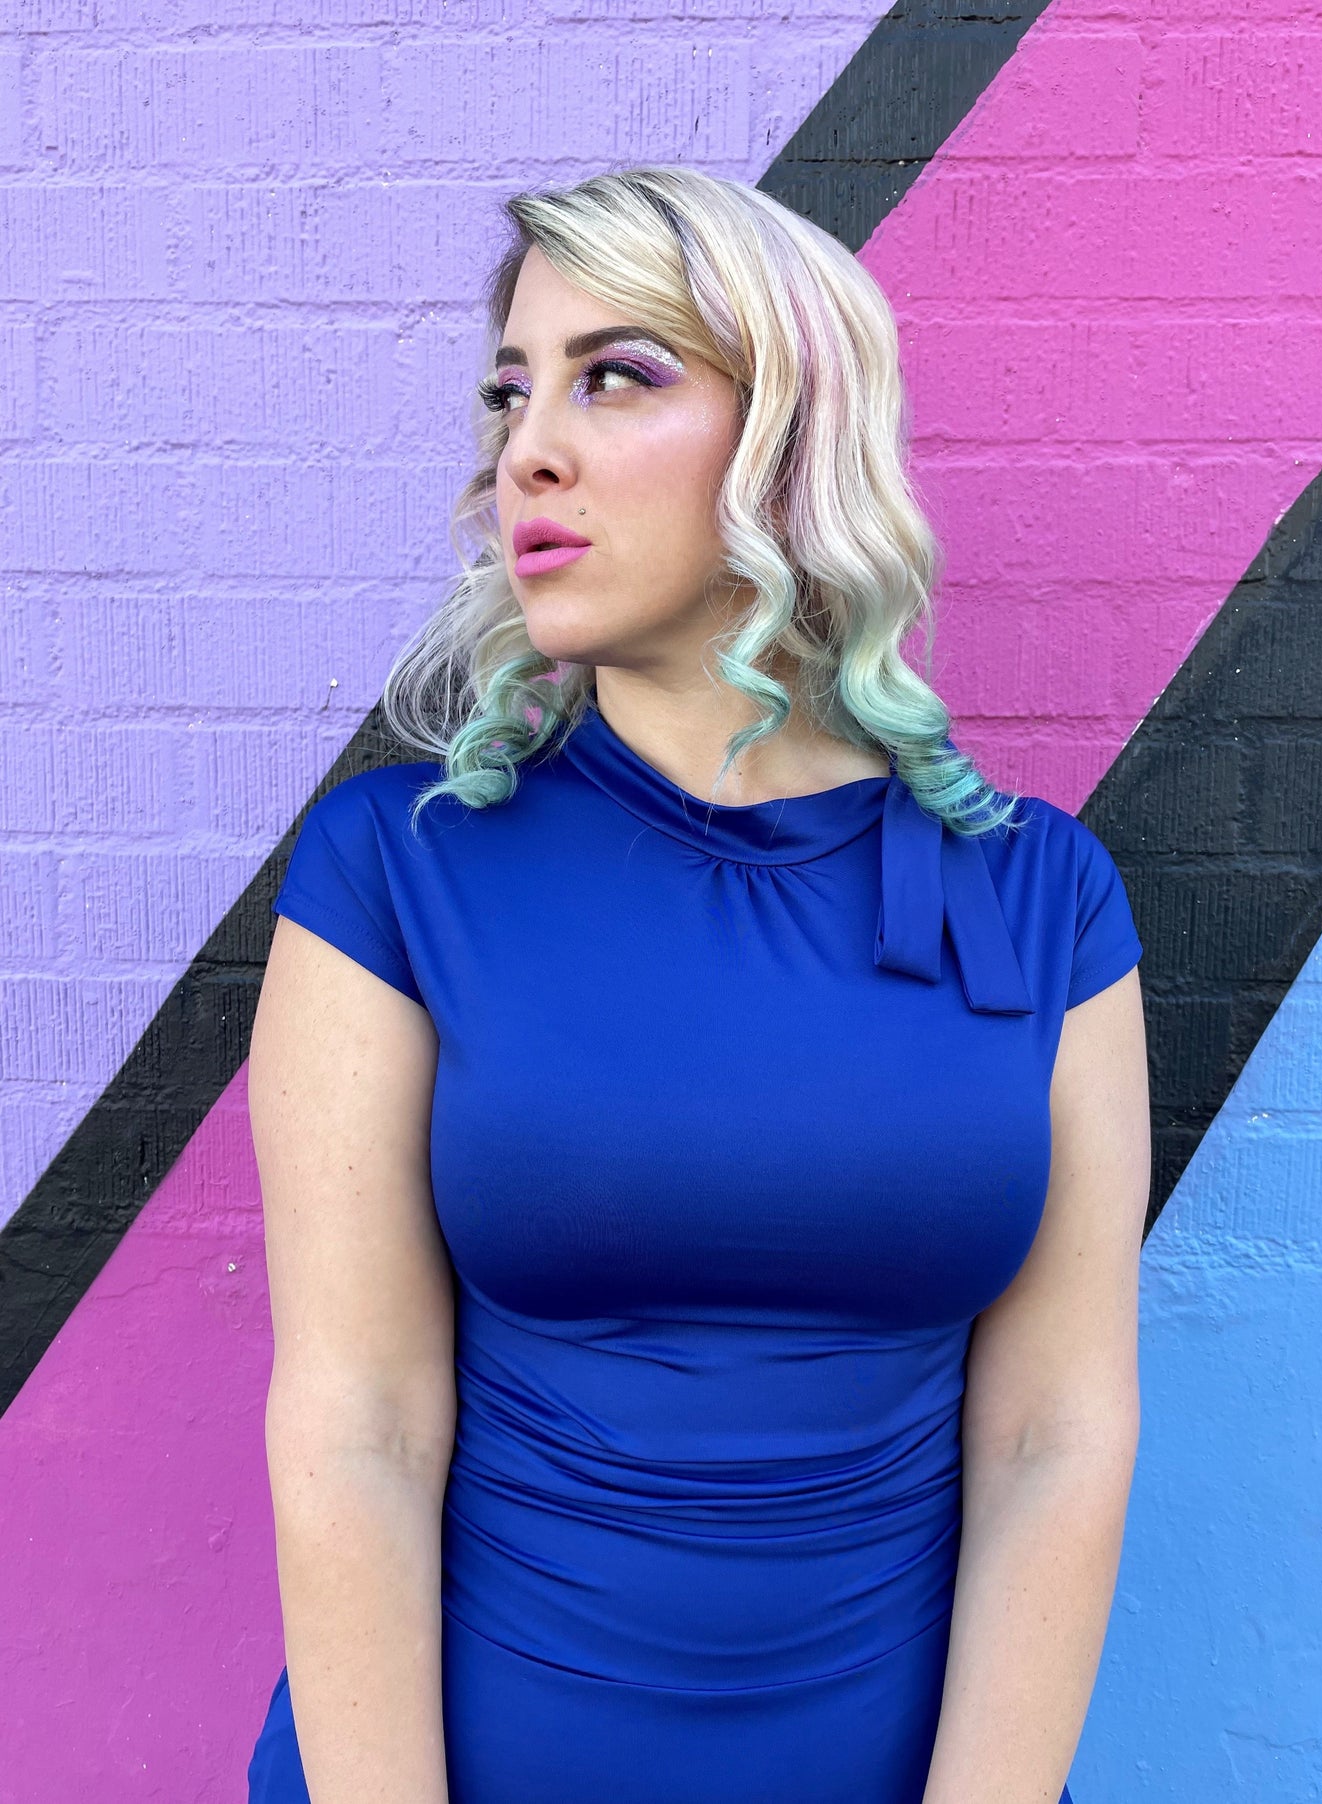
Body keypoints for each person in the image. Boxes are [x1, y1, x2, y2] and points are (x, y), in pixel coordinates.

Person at [245, 164, 1151, 1804]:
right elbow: (357, 1421)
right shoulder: (399, 870)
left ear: (795, 438)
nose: (526, 446)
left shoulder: (1041, 894)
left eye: (617, 375)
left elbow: (1053, 1436)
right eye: (513, 387)